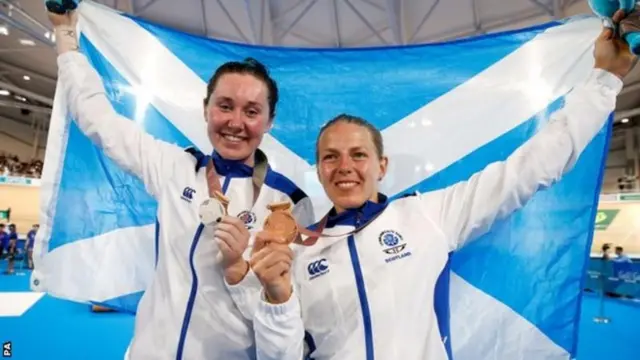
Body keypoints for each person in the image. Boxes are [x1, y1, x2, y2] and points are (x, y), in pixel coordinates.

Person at [246, 12, 638, 360]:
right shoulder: (295, 250)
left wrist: (604, 80)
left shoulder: (428, 215)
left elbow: (532, 167)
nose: (344, 166)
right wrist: (276, 298)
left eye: (358, 154)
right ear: (318, 170)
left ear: (381, 166)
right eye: (331, 156)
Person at [46, 7, 314, 360]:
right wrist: (66, 35)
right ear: (206, 110)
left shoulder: (289, 204)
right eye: (224, 106)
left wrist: (240, 271)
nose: (235, 122)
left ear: (269, 121)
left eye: (251, 111)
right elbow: (100, 121)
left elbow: (287, 315)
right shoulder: (173, 167)